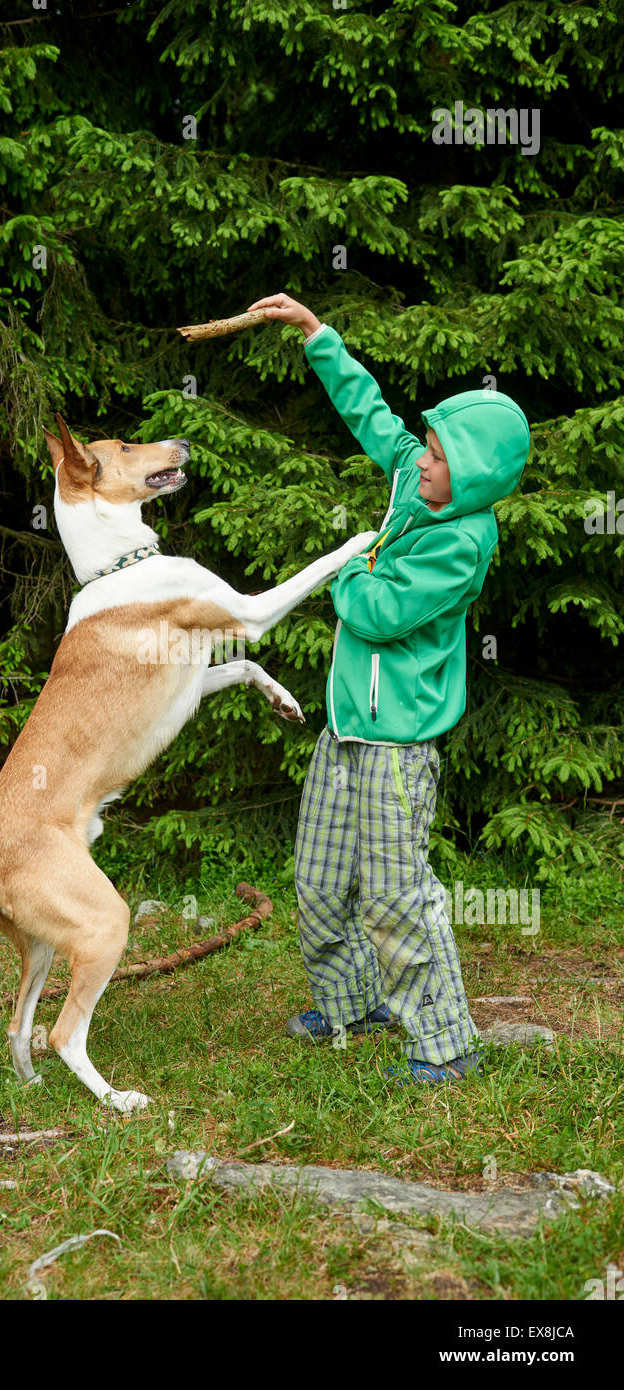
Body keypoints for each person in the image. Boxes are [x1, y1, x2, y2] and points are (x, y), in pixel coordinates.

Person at [246, 293, 531, 1084]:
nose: (422, 459)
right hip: (345, 728)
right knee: (318, 878)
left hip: (398, 745)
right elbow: (373, 418)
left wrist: (344, 563)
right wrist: (317, 335)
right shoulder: (419, 483)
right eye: (429, 446)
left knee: (397, 895)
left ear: (472, 475)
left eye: (438, 454)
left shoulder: (463, 541)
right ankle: (349, 1003)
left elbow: (374, 612)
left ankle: (444, 1043)